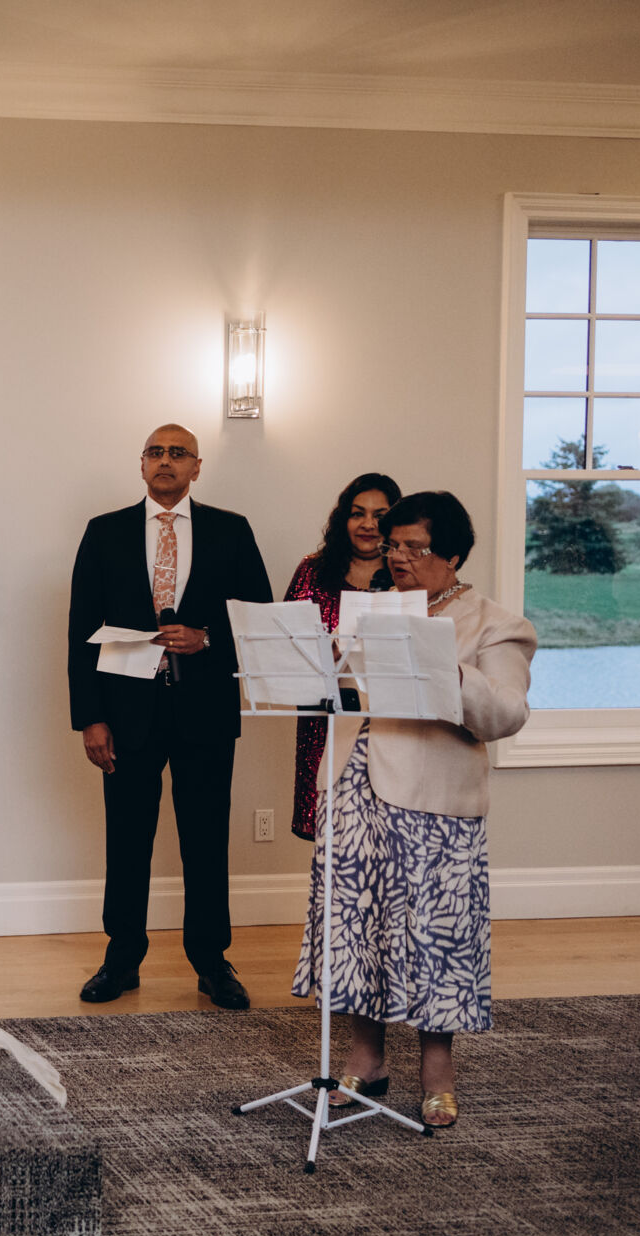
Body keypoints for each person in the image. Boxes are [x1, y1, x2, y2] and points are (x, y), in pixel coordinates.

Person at [291, 490, 536, 1128]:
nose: (397, 556)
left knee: (434, 935)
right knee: (356, 927)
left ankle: (437, 1071)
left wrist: (447, 670)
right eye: (393, 545)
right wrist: (325, 668)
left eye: (414, 547)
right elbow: (341, 696)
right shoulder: (367, 609)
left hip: (435, 805)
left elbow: (507, 713)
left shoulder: (496, 623)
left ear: (452, 555)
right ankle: (366, 1059)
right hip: (353, 789)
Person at [69, 424, 273, 1008]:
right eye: (156, 452)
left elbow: (260, 618)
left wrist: (208, 639)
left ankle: (211, 962)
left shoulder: (231, 530)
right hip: (124, 713)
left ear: (197, 467)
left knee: (206, 839)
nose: (166, 461)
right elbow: (80, 629)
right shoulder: (104, 532)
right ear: (141, 465)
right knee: (126, 838)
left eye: (178, 453)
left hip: (204, 710)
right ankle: (121, 958)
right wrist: (90, 718)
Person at [282, 473, 402, 841]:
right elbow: (284, 644)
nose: (368, 524)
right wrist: (322, 653)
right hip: (326, 723)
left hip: (393, 724)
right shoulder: (313, 571)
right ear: (343, 519)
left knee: (388, 831)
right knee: (331, 837)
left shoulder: (408, 574)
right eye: (357, 513)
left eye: (380, 516)